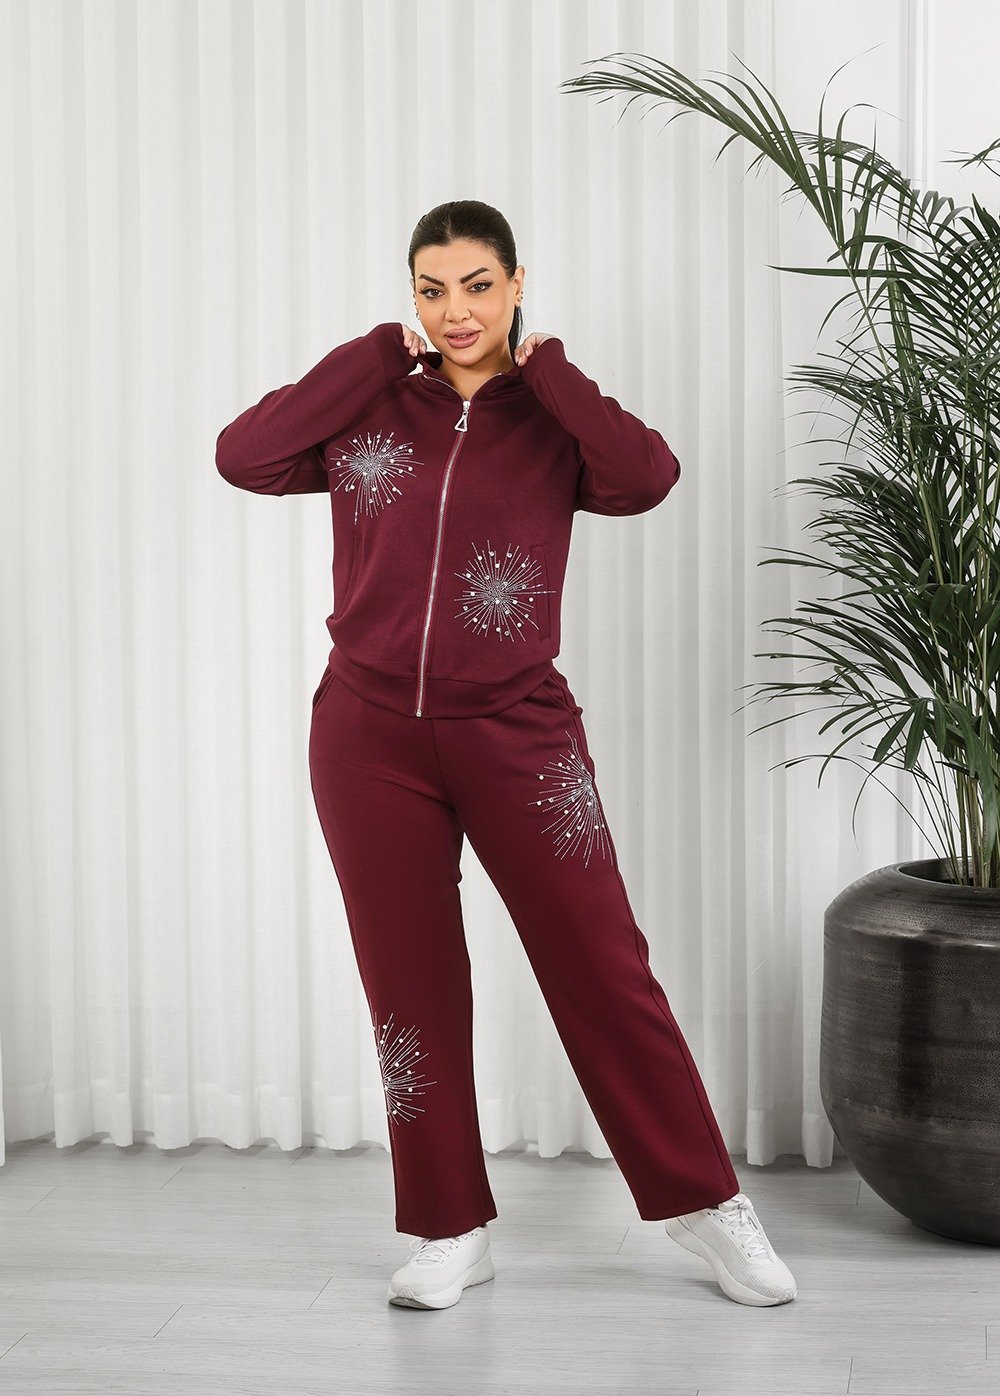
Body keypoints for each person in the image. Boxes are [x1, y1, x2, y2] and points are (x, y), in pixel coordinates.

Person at [215, 198, 797, 1313]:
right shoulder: (373, 403)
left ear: (516, 285)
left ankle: (705, 1204)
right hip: (366, 736)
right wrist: (371, 356)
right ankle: (448, 1228)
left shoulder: (551, 418)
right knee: (409, 986)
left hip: (518, 731)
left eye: (477, 286)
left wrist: (553, 371)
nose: (456, 310)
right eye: (431, 289)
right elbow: (244, 456)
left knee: (602, 966)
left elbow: (648, 475)